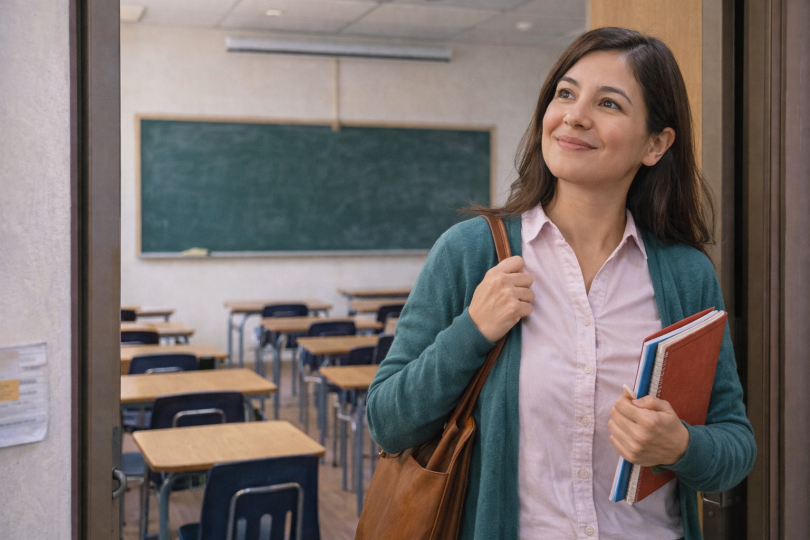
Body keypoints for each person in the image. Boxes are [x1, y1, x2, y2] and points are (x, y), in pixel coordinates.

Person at [366, 27, 756, 540]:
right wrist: (473, 330)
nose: (574, 115)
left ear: (656, 144)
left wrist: (681, 445)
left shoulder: (686, 275)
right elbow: (387, 422)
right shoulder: (471, 252)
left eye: (609, 103)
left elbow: (735, 446)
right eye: (565, 93)